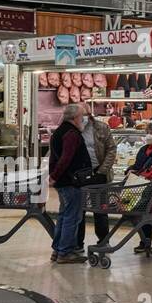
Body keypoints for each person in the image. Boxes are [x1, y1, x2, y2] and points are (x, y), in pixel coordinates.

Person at [48, 104, 92, 264]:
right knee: (72, 217)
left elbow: (55, 157)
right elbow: (65, 158)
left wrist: (54, 176)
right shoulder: (71, 134)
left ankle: (58, 249)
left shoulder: (59, 131)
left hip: (63, 181)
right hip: (70, 182)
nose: (83, 119)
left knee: (64, 215)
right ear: (75, 118)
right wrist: (54, 176)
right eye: (82, 116)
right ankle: (65, 252)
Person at [76, 104, 116, 252]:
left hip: (99, 174)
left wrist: (102, 170)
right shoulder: (74, 129)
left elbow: (111, 149)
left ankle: (103, 241)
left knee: (100, 210)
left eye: (84, 114)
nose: (82, 118)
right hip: (80, 175)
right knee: (79, 211)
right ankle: (77, 243)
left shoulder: (101, 128)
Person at [128, 120, 152, 254]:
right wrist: (130, 170)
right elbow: (138, 165)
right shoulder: (143, 149)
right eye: (147, 132)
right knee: (143, 213)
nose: (148, 135)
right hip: (142, 185)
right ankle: (145, 241)